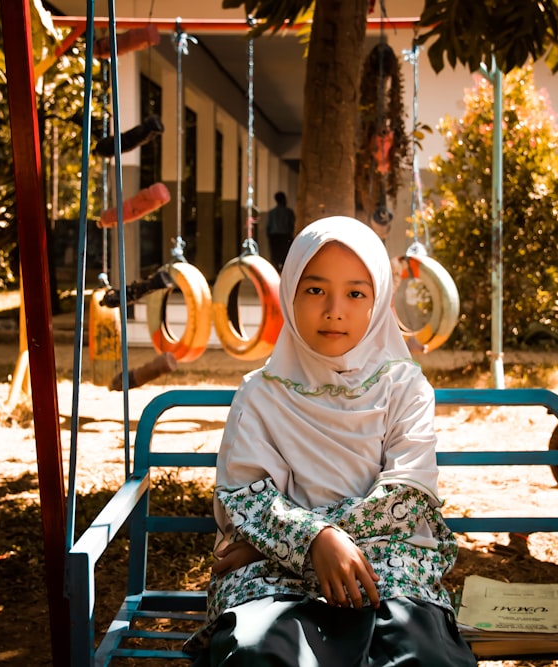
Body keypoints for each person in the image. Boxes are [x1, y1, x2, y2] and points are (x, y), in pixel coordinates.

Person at [186, 216, 476, 666]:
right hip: (270, 578)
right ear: (290, 295)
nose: (334, 310)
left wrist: (301, 541)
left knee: (421, 656)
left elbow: (408, 495)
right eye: (315, 289)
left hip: (387, 564)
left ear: (379, 302)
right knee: (260, 653)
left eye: (356, 293)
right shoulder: (261, 394)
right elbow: (245, 496)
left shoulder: (404, 388)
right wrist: (310, 542)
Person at [265, 191, 296, 271]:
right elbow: (291, 225)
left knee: (275, 255)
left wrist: (269, 236)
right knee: (285, 255)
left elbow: (268, 226)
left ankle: (275, 271)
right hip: (285, 237)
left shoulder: (271, 213)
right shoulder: (289, 212)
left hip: (274, 236)